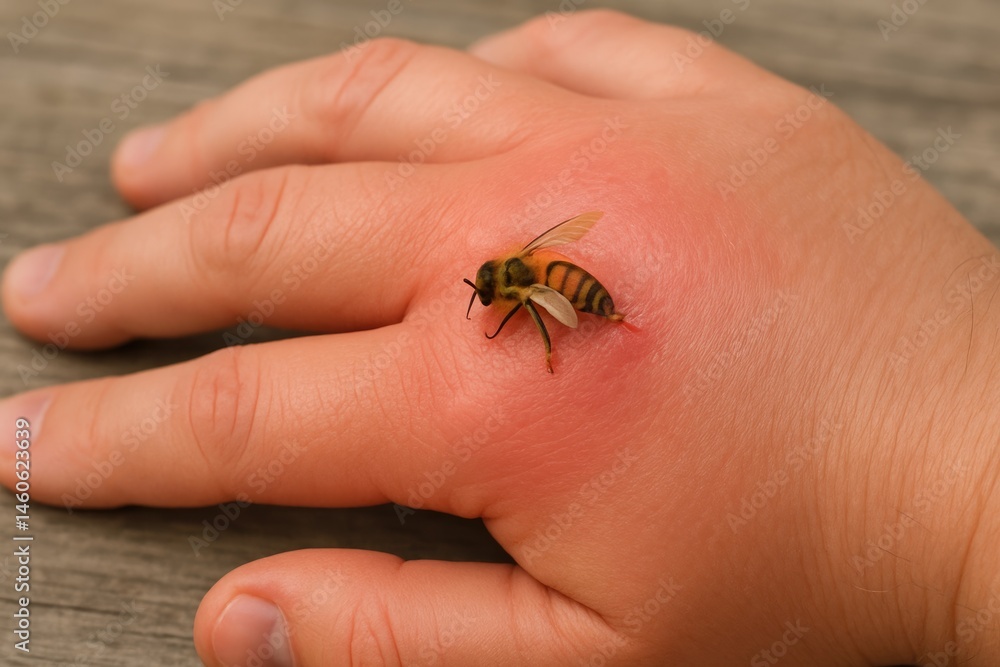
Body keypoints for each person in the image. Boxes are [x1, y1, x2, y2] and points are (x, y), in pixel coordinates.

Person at [2, 9, 998, 666]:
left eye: (488, 292)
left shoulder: (527, 295)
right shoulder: (519, 268)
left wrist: (944, 507)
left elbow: (546, 297)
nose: (488, 298)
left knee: (555, 322)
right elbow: (540, 266)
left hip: (585, 302)